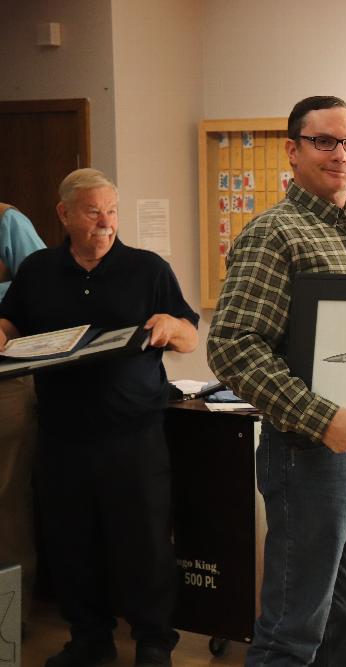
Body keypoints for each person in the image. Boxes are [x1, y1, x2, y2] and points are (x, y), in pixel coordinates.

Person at [207, 96, 346, 667]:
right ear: (293, 150)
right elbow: (233, 348)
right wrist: (323, 418)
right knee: (294, 630)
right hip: (307, 456)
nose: (340, 154)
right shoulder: (273, 235)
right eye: (325, 142)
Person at [0, 168, 199, 667]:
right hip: (62, 433)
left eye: (111, 211)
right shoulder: (39, 270)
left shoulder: (147, 268)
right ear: (64, 214)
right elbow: (12, 321)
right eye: (93, 212)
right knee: (72, 542)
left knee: (145, 542)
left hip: (133, 432)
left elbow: (190, 335)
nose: (106, 222)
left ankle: (154, 643)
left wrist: (171, 325)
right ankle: (89, 640)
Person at [0, 203, 45, 624]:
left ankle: (9, 623)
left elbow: (44, 291)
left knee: (6, 499)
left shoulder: (7, 221)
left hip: (5, 384)